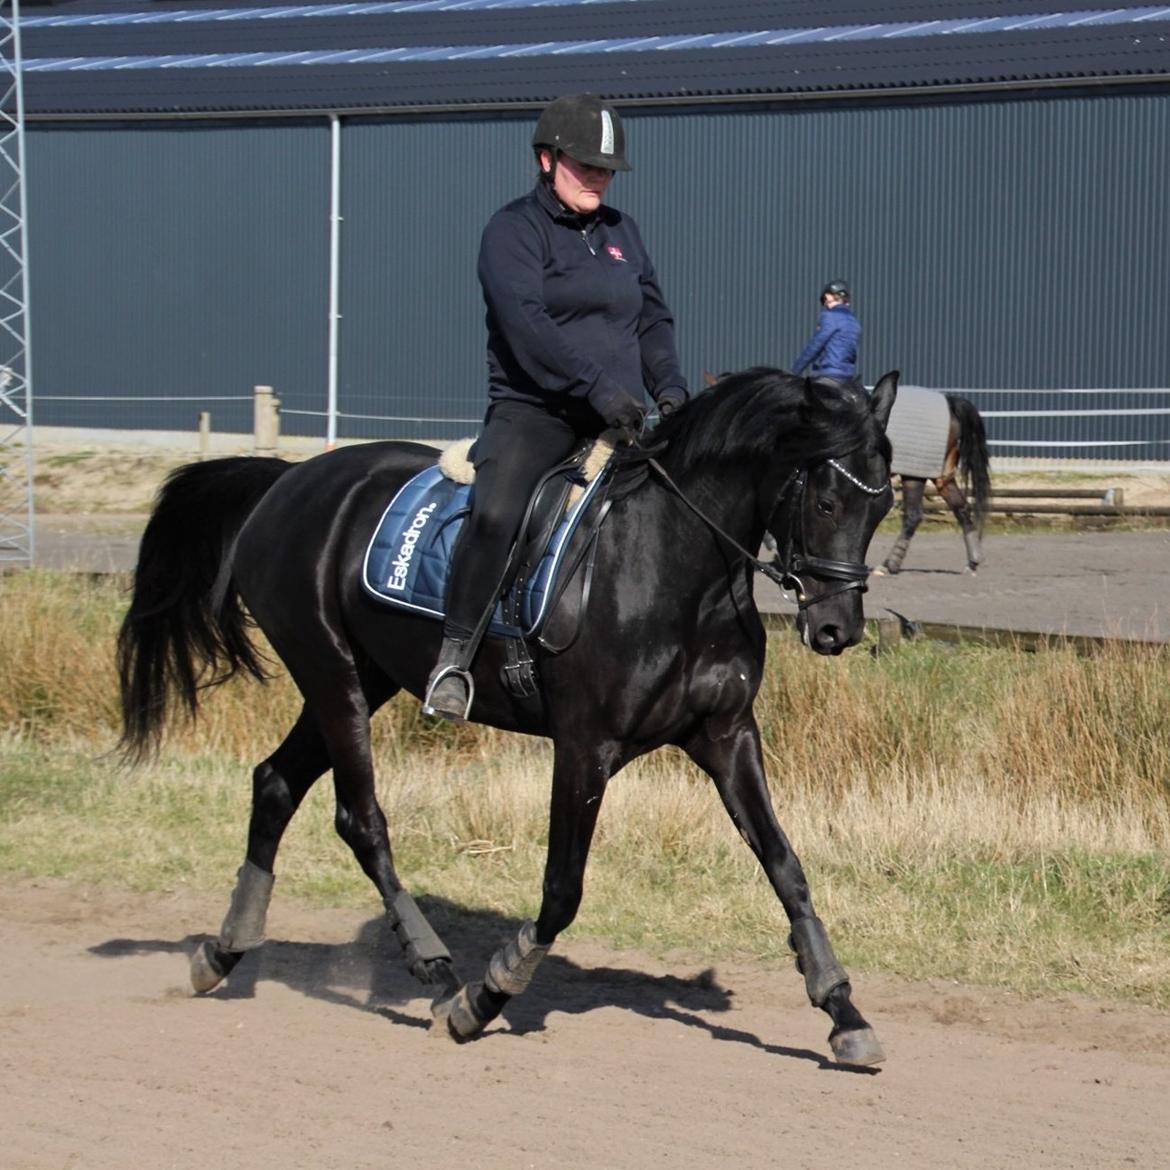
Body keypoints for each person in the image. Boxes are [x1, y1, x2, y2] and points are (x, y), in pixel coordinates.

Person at [423, 94, 689, 720]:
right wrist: (599, 389)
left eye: (606, 169)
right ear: (547, 160)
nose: (598, 176)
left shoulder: (624, 232)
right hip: (535, 414)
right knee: (497, 514)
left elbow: (652, 318)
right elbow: (529, 328)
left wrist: (672, 389)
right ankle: (454, 659)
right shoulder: (512, 231)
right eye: (584, 165)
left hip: (621, 415)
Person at [791, 280, 863, 391]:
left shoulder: (830, 316)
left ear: (828, 297)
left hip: (828, 376)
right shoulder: (854, 322)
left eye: (825, 299)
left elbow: (815, 346)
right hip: (848, 377)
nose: (824, 304)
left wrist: (794, 371)